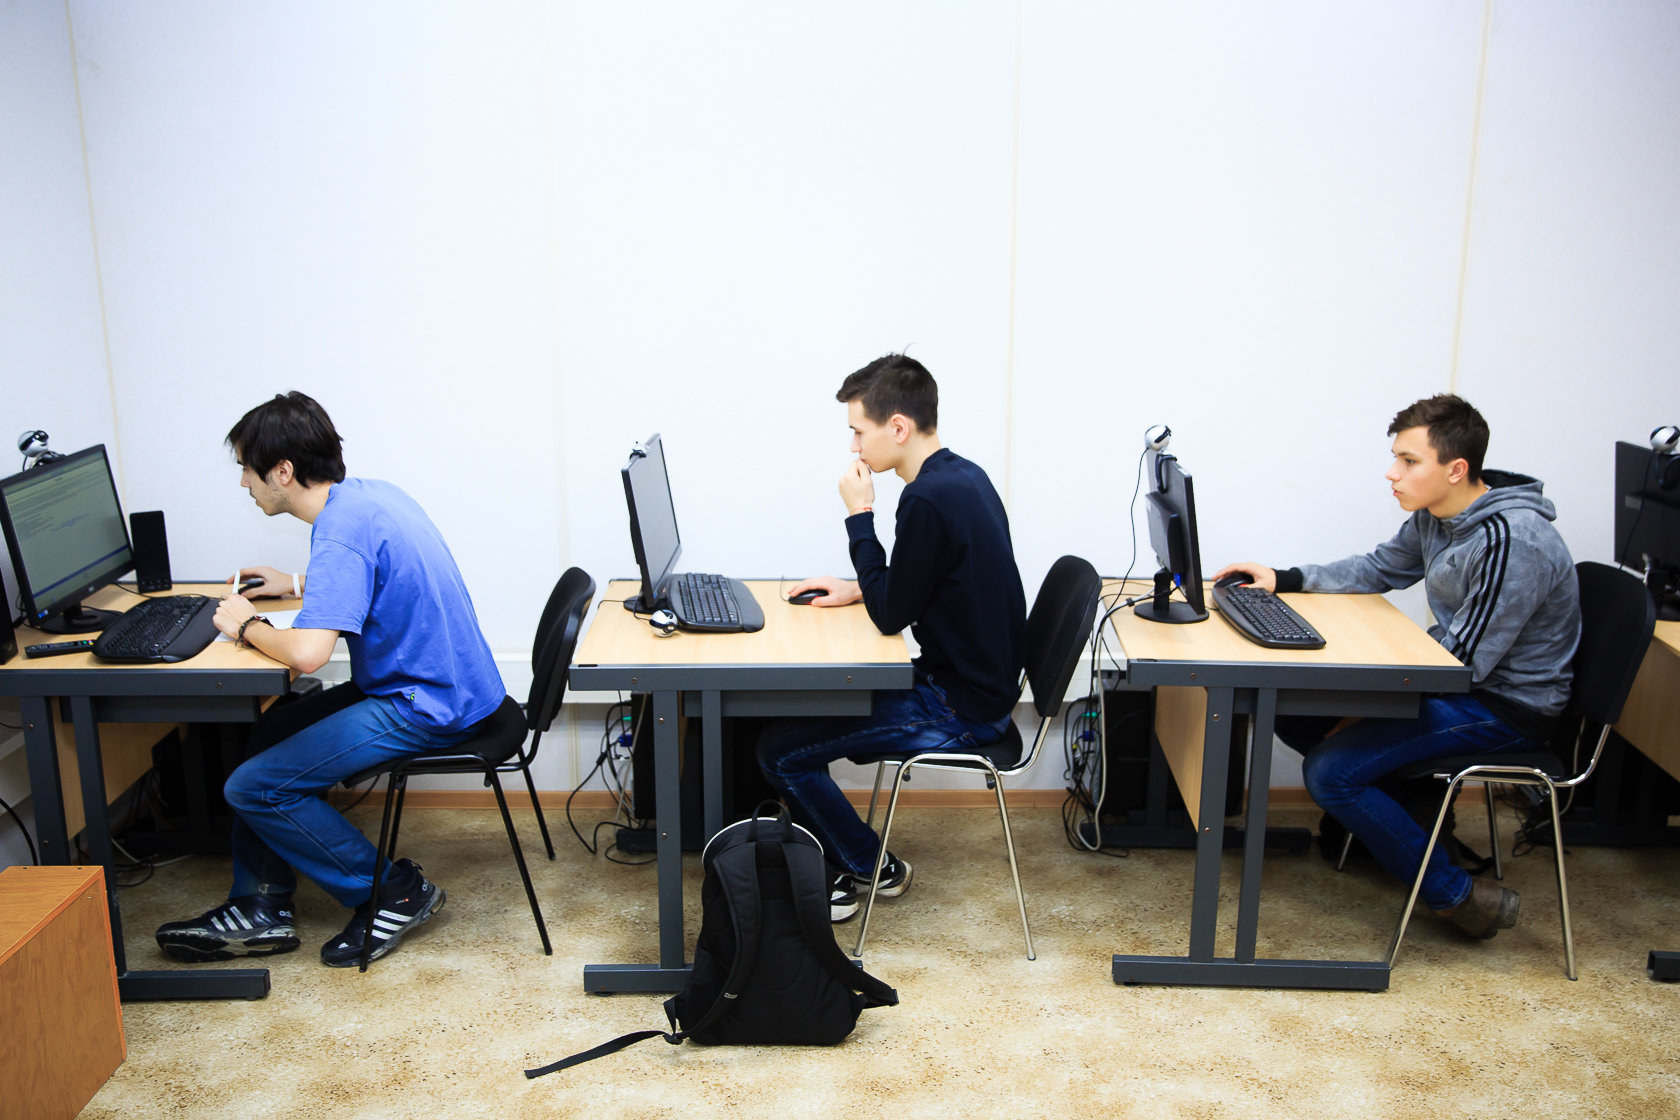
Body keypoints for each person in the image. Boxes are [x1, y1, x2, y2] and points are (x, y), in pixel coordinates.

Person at [155, 392, 506, 967]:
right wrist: (297, 582)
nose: (243, 482)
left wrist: (246, 626)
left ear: (282, 472)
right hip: (453, 683)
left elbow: (308, 655)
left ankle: (394, 891)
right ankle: (261, 903)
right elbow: (373, 571)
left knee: (252, 787)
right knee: (272, 731)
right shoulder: (369, 497)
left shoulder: (339, 531)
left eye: (246, 469)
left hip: (425, 703)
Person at [1214, 393, 1581, 939]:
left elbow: (1465, 665)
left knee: (1331, 773)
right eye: (1396, 458)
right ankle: (1412, 825)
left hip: (1506, 705)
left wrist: (1367, 704)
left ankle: (1456, 896)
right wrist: (1284, 578)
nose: (1393, 473)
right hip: (1458, 679)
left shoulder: (1513, 541)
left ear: (1456, 469)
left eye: (1409, 461)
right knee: (1292, 709)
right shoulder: (1438, 515)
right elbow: (1381, 568)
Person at [757, 354, 1028, 922]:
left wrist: (859, 516)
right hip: (978, 688)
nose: (854, 447)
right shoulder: (964, 477)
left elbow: (890, 618)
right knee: (792, 717)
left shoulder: (924, 500)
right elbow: (923, 586)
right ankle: (824, 856)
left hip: (961, 708)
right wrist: (861, 587)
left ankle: (869, 865)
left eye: (859, 431)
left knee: (778, 751)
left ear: (898, 427)